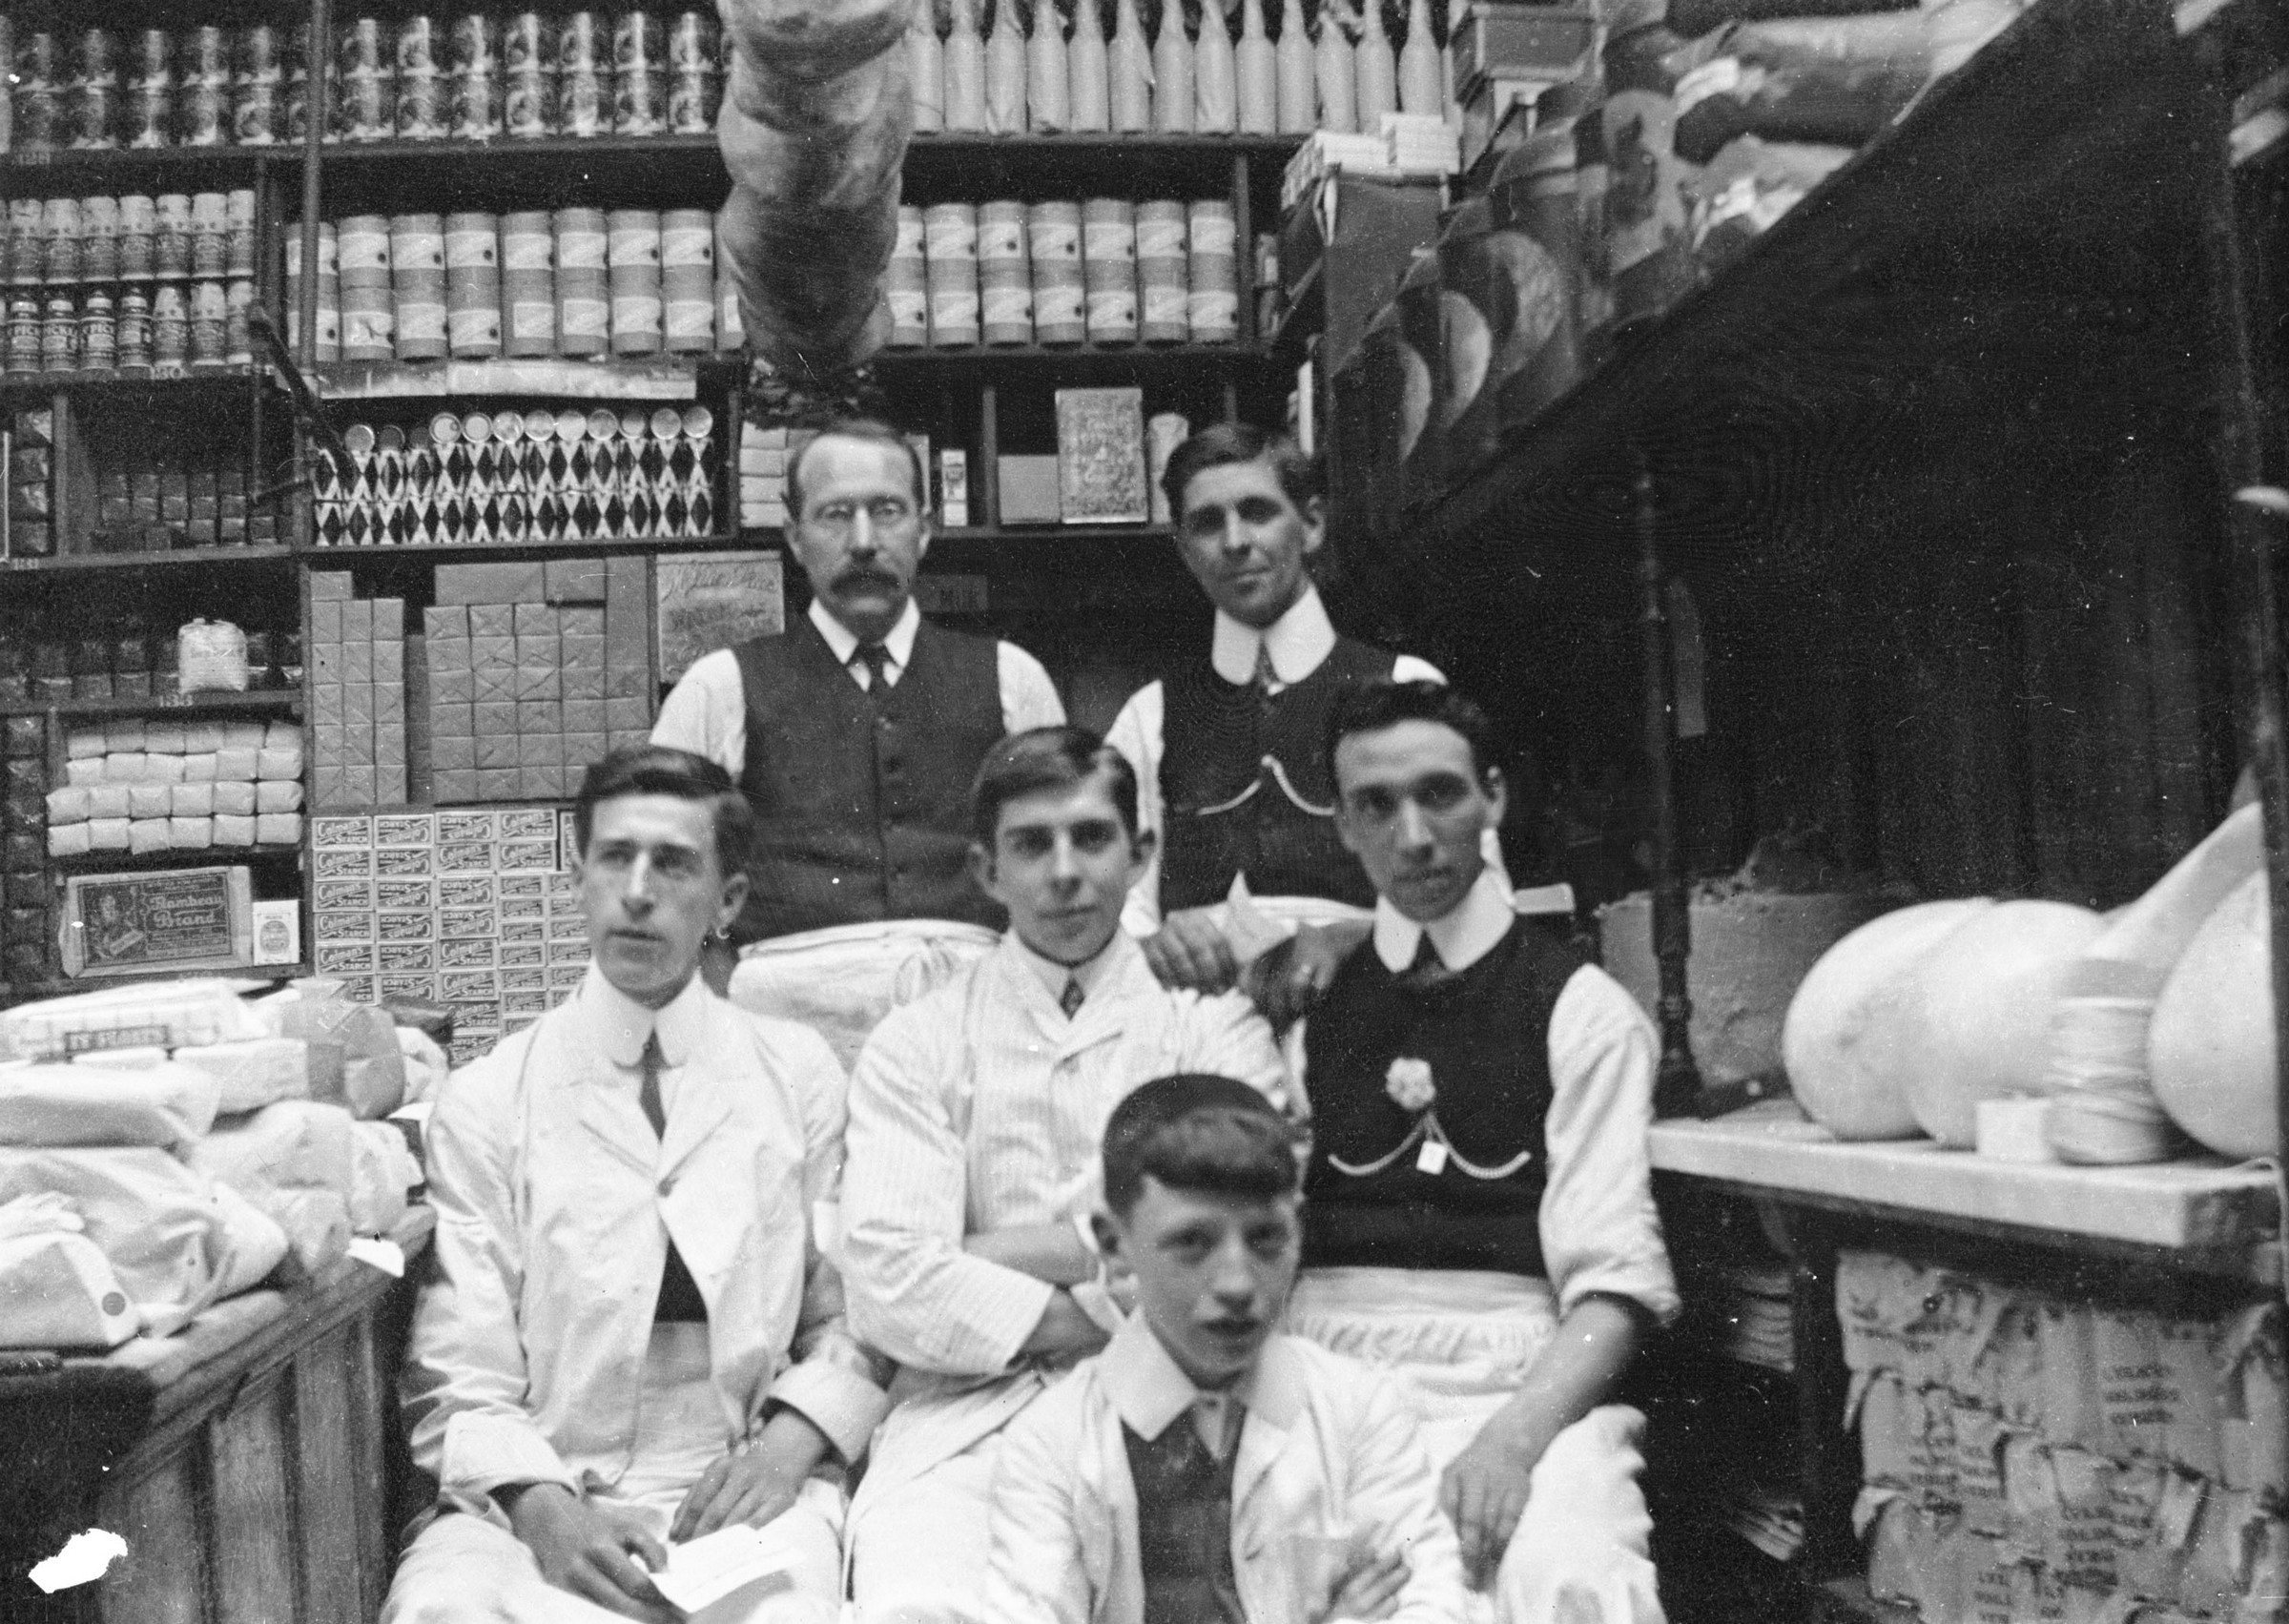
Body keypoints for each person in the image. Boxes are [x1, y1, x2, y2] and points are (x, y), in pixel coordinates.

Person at [384, 746, 891, 1624]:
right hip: (537, 1485)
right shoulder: (491, 1095)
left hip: (744, 1478)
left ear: (727, 900)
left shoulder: (797, 1073)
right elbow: (458, 1366)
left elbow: (849, 1312)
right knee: (445, 1612)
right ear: (578, 875)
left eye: (675, 863)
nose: (639, 891)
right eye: (615, 857)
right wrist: (543, 1509)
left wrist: (788, 1445)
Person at [837, 726, 1291, 1624]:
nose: (1065, 872)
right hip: (970, 1418)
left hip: (1184, 1397)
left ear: (1140, 853)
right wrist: (1122, 1280)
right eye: (1031, 844)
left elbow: (1239, 1244)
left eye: (1091, 837)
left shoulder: (1210, 1029)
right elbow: (889, 1281)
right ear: (986, 868)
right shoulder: (919, 1039)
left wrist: (978, 1251)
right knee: (923, 1600)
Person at [1291, 681, 1679, 1624]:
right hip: (1323, 1374)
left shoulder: (1583, 1010)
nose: (1414, 836)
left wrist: (1511, 1441)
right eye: (1377, 805)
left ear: (1493, 797)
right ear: (1342, 824)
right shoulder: (1304, 1002)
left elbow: (1615, 1284)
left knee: (1572, 1574)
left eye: (1442, 794)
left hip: (1522, 1374)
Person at [986, 1073, 1469, 1624]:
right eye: (1192, 1242)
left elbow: (1432, 1606)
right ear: (1114, 1245)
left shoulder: (1358, 1410)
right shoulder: (1052, 1441)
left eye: (1266, 1238)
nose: (1238, 1283)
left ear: (1299, 1230)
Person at [652, 417, 1065, 949]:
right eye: (836, 515)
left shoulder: (1013, 679)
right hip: (787, 996)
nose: (864, 542)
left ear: (924, 530)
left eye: (888, 511)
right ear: (795, 538)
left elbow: (1063, 864)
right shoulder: (719, 688)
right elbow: (659, 875)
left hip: (973, 992)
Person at [1103, 423, 1445, 1022]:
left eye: (1258, 512)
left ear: (1310, 525)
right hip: (1199, 1025)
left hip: (1373, 1011)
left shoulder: (1402, 687)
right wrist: (1154, 946)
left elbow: (1470, 890)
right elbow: (1117, 908)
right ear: (1184, 550)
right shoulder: (1149, 715)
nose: (1235, 541)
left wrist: (1353, 939)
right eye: (1207, 523)